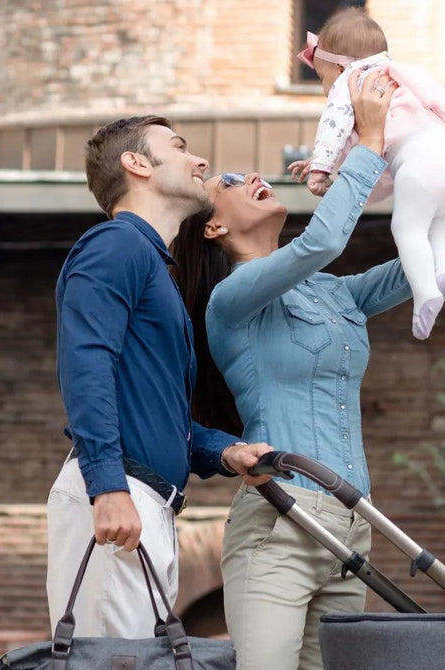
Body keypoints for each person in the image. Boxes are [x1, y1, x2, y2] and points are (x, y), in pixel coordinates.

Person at [171, 70, 404, 670]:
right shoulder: (231, 301)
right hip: (280, 522)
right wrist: (368, 142)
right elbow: (323, 242)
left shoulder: (334, 294)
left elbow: (431, 262)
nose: (249, 177)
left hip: (352, 525)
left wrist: (410, 164)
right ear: (213, 227)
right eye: (227, 183)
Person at [48, 115, 273, 639]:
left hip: (144, 499)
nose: (200, 161)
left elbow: (157, 409)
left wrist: (223, 451)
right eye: (179, 147)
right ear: (137, 164)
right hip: (118, 495)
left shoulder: (153, 266)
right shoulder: (116, 245)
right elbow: (86, 362)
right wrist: (106, 488)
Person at [290, 7, 445, 340]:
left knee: (407, 230)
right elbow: (372, 157)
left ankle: (425, 293)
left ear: (339, 65)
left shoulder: (352, 80)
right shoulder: (401, 77)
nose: (324, 88)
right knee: (441, 230)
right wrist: (333, 169)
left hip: (420, 163)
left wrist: (321, 167)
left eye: (321, 77)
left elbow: (334, 129)